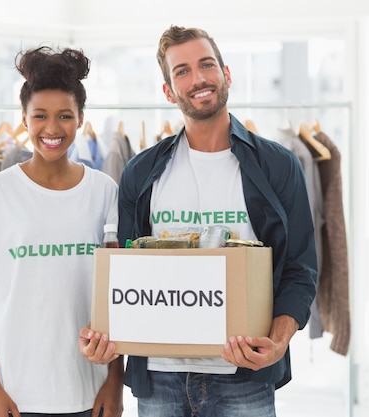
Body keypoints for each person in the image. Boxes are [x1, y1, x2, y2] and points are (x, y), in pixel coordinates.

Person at [79, 25, 317, 416]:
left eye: (206, 65)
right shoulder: (141, 173)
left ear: (226, 73)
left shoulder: (278, 166)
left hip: (243, 375)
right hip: (160, 378)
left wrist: (277, 341)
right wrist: (104, 340)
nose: (199, 78)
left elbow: (300, 268)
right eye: (182, 71)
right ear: (169, 91)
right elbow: (124, 275)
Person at [0, 46, 124, 417]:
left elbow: (118, 298)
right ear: (24, 119)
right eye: (40, 116)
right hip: (16, 397)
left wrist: (114, 383)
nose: (52, 128)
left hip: (90, 394)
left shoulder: (105, 192)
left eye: (65, 116)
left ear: (81, 119)